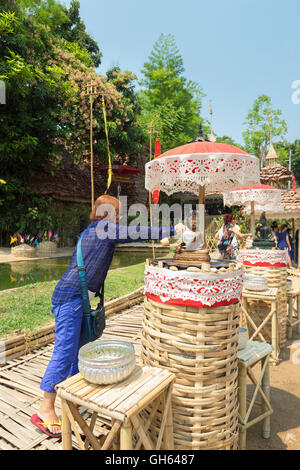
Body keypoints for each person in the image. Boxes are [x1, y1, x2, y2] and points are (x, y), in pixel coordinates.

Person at [31, 195, 180, 438]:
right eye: (118, 212)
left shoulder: (94, 230)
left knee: (80, 349)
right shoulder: (104, 228)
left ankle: (74, 398)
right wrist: (173, 229)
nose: (120, 217)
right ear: (107, 213)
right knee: (65, 351)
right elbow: (136, 231)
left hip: (76, 298)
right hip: (70, 299)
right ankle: (45, 409)